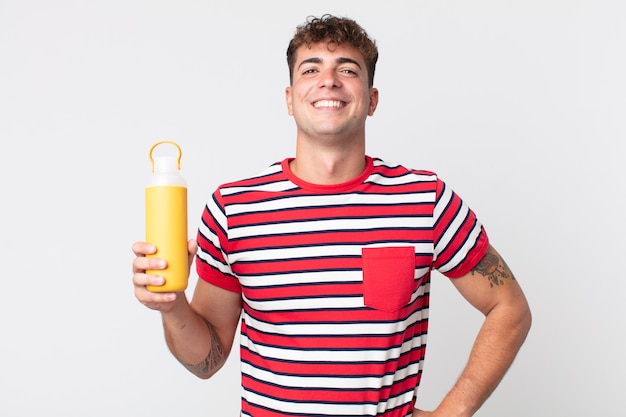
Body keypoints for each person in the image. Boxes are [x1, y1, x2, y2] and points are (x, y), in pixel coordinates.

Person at [132, 14, 532, 417]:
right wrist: (173, 305)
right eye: (311, 69)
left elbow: (509, 308)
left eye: (347, 68)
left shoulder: (425, 200)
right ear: (289, 99)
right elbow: (208, 360)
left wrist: (453, 413)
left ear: (372, 99)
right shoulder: (234, 208)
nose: (329, 80)